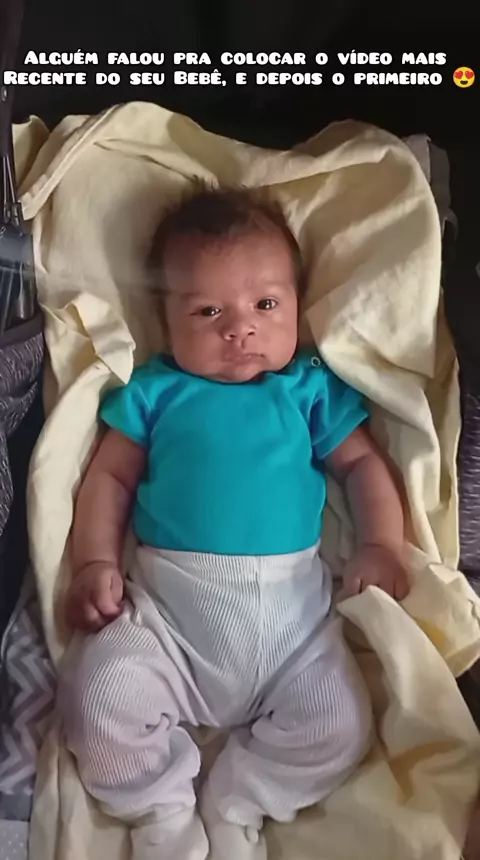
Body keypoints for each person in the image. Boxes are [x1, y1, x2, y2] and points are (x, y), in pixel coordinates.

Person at [58, 184, 410, 860]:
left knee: (340, 725)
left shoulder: (308, 389)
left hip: (294, 633)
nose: (238, 328)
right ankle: (160, 814)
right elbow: (108, 478)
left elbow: (363, 464)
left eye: (265, 305)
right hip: (167, 621)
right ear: (166, 322)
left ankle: (238, 801)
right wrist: (95, 562)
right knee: (97, 700)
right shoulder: (156, 392)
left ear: (298, 306)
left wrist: (383, 543)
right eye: (208, 310)